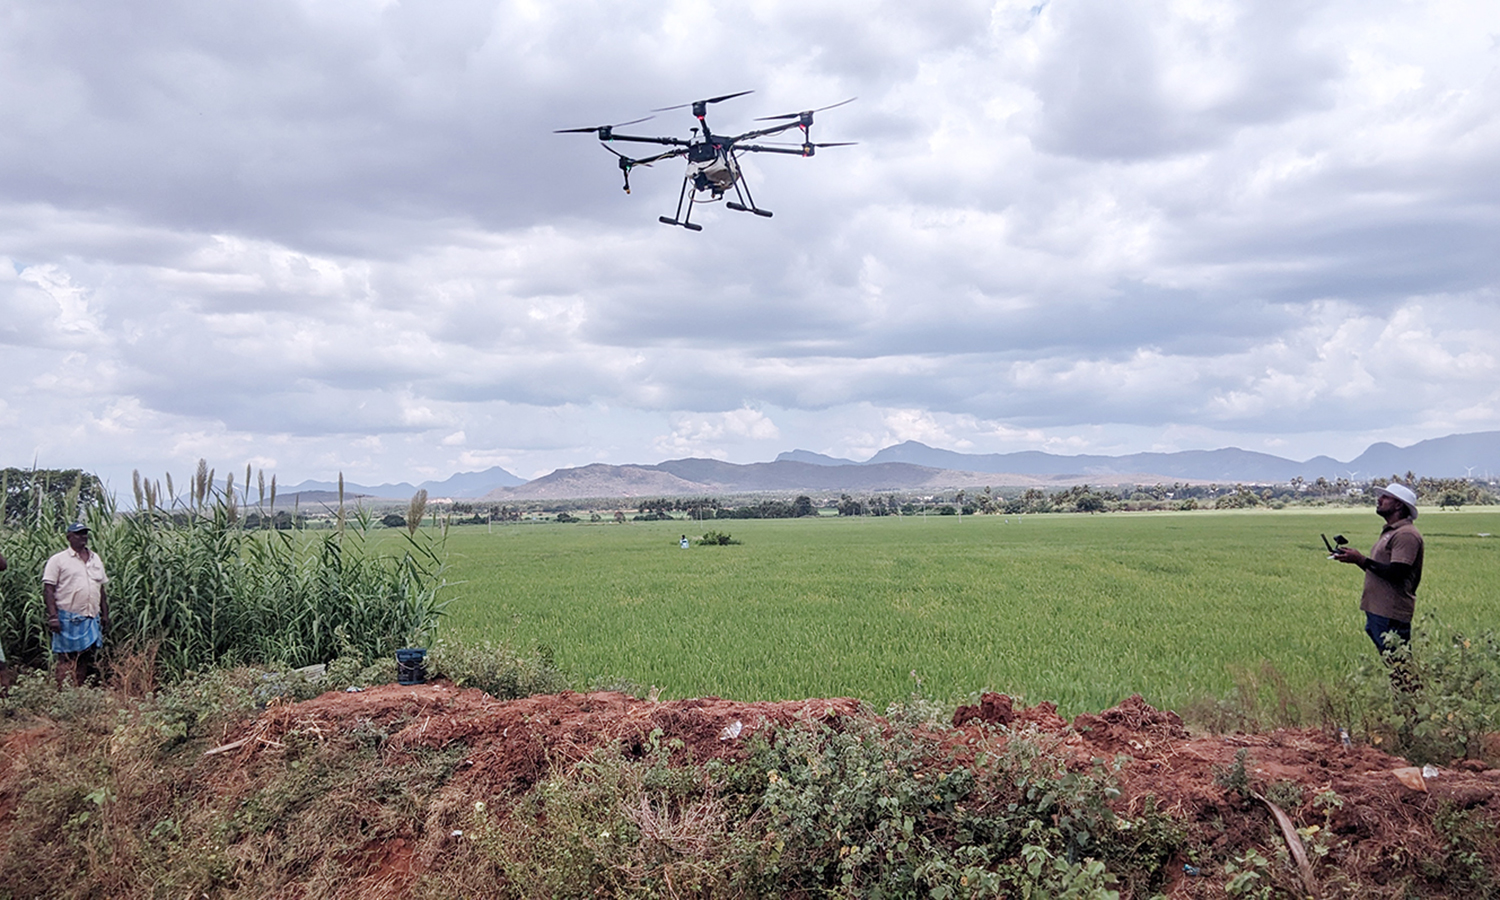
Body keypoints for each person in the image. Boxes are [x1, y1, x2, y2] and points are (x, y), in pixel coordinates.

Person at [1333, 483, 1424, 657]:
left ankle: (1414, 686)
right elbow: (1382, 571)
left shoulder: (1406, 534)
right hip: (1379, 610)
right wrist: (1356, 560)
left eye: (1385, 497)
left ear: (1398, 505)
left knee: (1401, 668)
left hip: (1391, 612)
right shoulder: (1391, 532)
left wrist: (1361, 559)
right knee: (1395, 666)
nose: (1379, 500)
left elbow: (1398, 573)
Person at [42, 523, 110, 687]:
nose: (83, 537)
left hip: (90, 616)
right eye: (78, 534)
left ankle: (78, 690)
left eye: (85, 534)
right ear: (69, 537)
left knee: (84, 657)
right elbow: (48, 590)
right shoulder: (58, 560)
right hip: (67, 616)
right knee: (66, 657)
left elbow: (101, 589)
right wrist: (53, 617)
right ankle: (63, 693)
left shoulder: (95, 558)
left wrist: (105, 614)